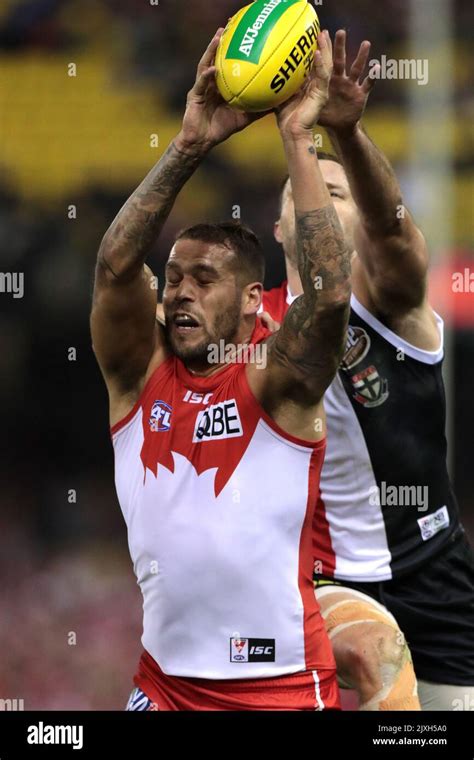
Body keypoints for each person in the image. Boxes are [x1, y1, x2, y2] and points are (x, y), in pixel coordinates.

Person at [91, 29, 351, 711]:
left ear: (248, 304)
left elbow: (329, 299)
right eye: (173, 278)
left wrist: (298, 136)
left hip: (283, 691)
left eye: (201, 279)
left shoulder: (273, 383)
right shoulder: (138, 377)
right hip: (163, 691)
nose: (178, 291)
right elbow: (116, 269)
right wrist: (188, 147)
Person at [265, 30, 474, 711]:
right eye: (308, 189)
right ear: (277, 225)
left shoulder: (391, 304)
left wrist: (347, 138)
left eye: (340, 193)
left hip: (432, 573)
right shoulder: (248, 326)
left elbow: (394, 236)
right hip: (317, 585)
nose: (323, 201)